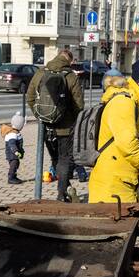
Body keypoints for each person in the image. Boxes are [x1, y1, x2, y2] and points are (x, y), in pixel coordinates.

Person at [88, 57, 139, 204]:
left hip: (124, 183)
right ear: (138, 80)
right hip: (111, 187)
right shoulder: (124, 103)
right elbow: (128, 145)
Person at [27, 48, 84, 201]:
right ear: (69, 61)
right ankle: (62, 193)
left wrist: (41, 116)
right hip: (65, 129)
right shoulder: (71, 76)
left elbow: (30, 97)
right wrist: (72, 121)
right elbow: (79, 105)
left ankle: (63, 186)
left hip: (45, 127)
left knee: (55, 159)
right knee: (65, 159)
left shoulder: (40, 73)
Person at [0, 113, 25, 184]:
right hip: (12, 154)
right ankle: (10, 178)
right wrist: (16, 151)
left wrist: (22, 151)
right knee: (14, 165)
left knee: (16, 164)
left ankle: (14, 176)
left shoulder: (16, 132)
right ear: (19, 125)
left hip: (14, 153)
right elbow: (12, 144)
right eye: (22, 125)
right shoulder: (12, 134)